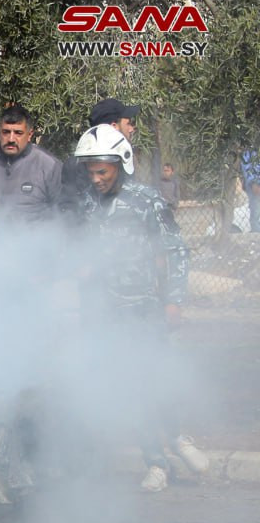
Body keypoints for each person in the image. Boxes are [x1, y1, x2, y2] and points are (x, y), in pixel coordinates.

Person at [73, 124, 208, 491]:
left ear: (121, 164)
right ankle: (156, 463)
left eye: (103, 171)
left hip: (146, 309)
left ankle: (177, 436)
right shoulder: (86, 203)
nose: (96, 179)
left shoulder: (147, 201)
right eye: (91, 171)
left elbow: (175, 250)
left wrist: (174, 301)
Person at [0, 104, 64, 224]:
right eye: (6, 132)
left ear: (30, 134)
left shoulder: (48, 165)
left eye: (18, 133)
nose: (11, 139)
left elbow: (63, 211)